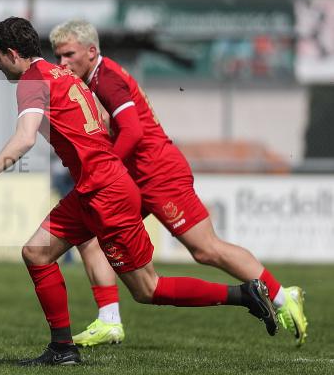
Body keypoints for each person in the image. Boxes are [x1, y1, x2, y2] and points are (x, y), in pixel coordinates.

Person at [0, 17, 277, 366]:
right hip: (94, 187)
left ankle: (243, 294)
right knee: (36, 253)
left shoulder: (32, 81)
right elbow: (100, 120)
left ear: (12, 53)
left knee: (147, 289)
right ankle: (62, 350)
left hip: (105, 192)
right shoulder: (63, 75)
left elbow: (24, 138)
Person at [49, 19, 307, 348]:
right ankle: (109, 320)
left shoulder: (107, 79)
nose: (62, 63)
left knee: (206, 249)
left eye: (68, 54)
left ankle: (284, 297)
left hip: (158, 174)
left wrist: (106, 168)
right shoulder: (94, 79)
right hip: (135, 176)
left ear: (91, 51)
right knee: (92, 236)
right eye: (58, 56)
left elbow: (133, 131)